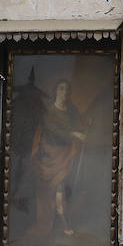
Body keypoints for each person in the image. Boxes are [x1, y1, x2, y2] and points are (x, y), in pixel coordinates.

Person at [29, 81, 87, 237]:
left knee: (64, 188)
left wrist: (84, 129)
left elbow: (80, 127)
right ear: (55, 91)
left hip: (68, 154)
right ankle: (64, 223)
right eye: (61, 88)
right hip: (50, 157)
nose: (65, 92)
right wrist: (73, 134)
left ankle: (64, 223)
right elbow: (52, 130)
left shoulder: (72, 110)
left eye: (67, 89)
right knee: (58, 188)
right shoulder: (49, 112)